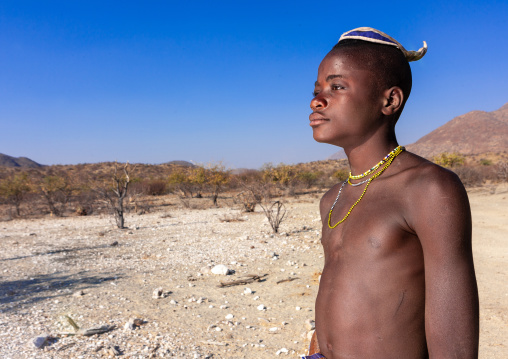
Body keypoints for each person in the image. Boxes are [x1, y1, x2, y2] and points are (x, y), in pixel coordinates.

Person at [305, 27, 479, 359]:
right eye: (317, 89)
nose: (317, 100)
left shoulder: (429, 188)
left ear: (390, 100)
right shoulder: (333, 197)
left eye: (337, 87)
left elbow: (453, 335)